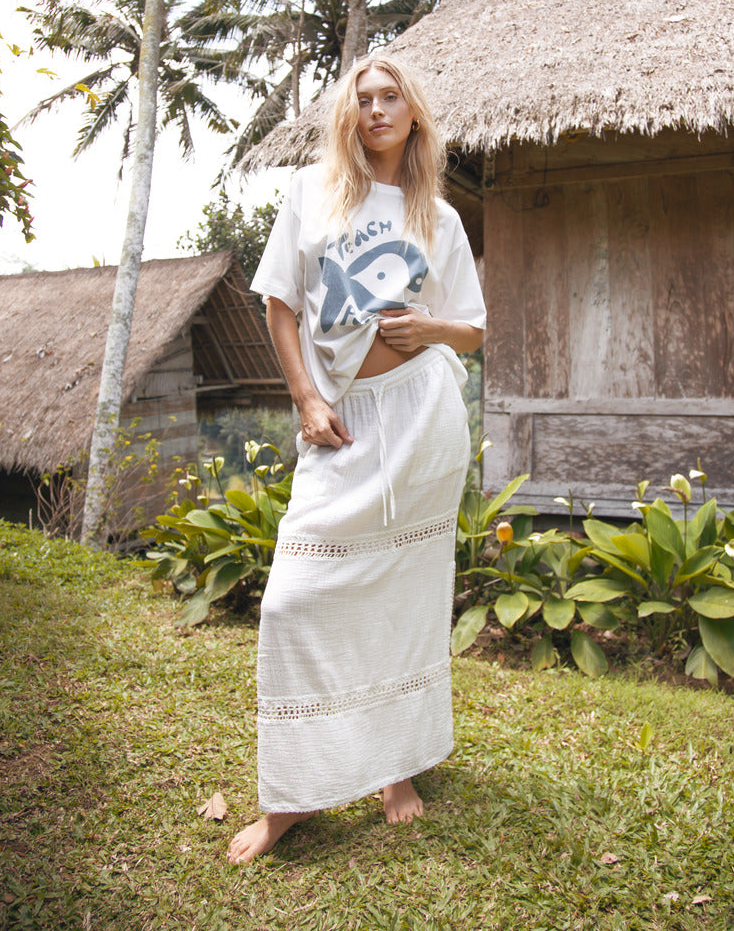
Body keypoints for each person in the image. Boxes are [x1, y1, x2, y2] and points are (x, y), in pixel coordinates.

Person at [227, 53, 486, 864]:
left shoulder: (438, 219)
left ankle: (396, 768)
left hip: (422, 415)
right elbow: (280, 305)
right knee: (292, 601)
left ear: (413, 115)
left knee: (407, 596)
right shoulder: (310, 193)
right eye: (363, 99)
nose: (376, 111)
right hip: (341, 421)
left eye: (391, 99)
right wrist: (306, 396)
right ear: (348, 114)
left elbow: (471, 328)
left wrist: (429, 330)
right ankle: (291, 799)